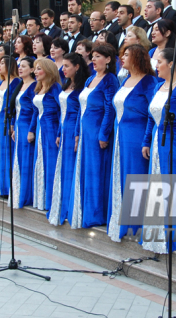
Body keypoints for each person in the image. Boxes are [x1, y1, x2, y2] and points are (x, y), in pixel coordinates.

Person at [141, 48, 176, 254]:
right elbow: (151, 115)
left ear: (171, 64)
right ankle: (157, 235)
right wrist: (146, 141)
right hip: (159, 141)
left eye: (159, 62)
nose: (156, 66)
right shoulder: (159, 86)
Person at [107, 45, 158, 242]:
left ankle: (136, 225)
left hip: (136, 135)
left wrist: (146, 139)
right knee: (121, 175)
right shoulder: (126, 80)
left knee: (135, 178)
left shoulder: (149, 82)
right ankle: (121, 221)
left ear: (137, 58)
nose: (122, 58)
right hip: (121, 134)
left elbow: (151, 113)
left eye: (127, 55)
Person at [69, 44, 119, 229]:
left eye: (98, 56)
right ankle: (84, 210)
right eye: (93, 56)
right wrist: (76, 134)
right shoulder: (90, 78)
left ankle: (97, 213)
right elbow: (80, 109)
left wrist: (104, 134)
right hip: (84, 131)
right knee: (85, 170)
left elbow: (110, 109)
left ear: (108, 59)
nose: (94, 60)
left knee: (96, 172)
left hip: (97, 133)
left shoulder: (110, 80)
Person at [48, 53, 89, 226]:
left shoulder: (81, 86)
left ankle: (72, 206)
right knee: (64, 167)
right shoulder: (66, 84)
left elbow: (80, 112)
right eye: (62, 66)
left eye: (67, 66)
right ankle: (61, 204)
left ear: (77, 67)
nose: (63, 69)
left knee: (72, 167)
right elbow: (60, 111)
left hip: (73, 129)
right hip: (63, 129)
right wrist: (58, 132)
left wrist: (76, 133)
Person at [29, 58, 62, 210]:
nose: (35, 72)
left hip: (51, 129)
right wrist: (31, 129)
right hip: (41, 130)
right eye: (35, 69)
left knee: (51, 163)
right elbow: (35, 112)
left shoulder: (55, 88)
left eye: (39, 69)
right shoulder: (38, 88)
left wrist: (59, 132)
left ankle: (52, 200)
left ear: (48, 70)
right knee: (41, 162)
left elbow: (62, 110)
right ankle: (41, 199)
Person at [7, 57, 37, 208]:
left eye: (24, 66)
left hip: (27, 126)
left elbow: (34, 110)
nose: (20, 68)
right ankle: (18, 192)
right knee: (18, 159)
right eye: (19, 66)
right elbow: (14, 107)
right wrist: (12, 125)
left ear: (32, 69)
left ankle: (26, 194)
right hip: (18, 125)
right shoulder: (21, 84)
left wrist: (31, 130)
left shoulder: (34, 86)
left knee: (26, 159)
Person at [0, 56, 20, 196]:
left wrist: (12, 123)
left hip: (7, 120)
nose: (0, 65)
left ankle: (9, 187)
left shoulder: (16, 82)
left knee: (8, 152)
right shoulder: (0, 82)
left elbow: (14, 105)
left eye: (3, 63)